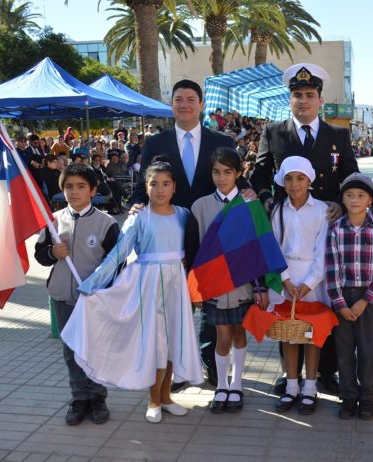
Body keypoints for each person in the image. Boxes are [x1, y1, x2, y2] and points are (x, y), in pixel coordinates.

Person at [61, 160, 203, 423]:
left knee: (173, 341)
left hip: (177, 284)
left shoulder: (183, 214)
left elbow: (193, 248)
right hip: (149, 285)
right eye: (154, 184)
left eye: (166, 184)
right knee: (157, 343)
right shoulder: (139, 217)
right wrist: (93, 284)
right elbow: (118, 254)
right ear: (145, 187)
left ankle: (166, 397)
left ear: (174, 187)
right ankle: (153, 399)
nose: (160, 190)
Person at [251, 62, 360, 395]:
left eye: (309, 95)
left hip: (324, 227)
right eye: (297, 95)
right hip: (288, 224)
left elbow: (351, 175)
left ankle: (325, 372)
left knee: (322, 306)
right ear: (290, 99)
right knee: (288, 309)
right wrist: (268, 199)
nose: (303, 101)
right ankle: (291, 375)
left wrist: (341, 203)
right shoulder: (273, 132)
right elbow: (259, 174)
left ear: (320, 100)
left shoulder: (338, 135)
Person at [131, 79, 238, 390]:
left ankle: (211, 365)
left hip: (212, 234)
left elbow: (232, 181)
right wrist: (137, 206)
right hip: (170, 237)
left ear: (201, 104)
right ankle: (174, 371)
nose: (185, 104)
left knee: (213, 302)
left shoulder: (223, 141)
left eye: (191, 99)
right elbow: (143, 186)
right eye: (178, 99)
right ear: (172, 104)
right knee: (173, 306)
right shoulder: (155, 143)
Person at [34, 164, 119, 426]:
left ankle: (97, 397)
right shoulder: (53, 221)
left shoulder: (107, 224)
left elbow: (116, 264)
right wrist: (52, 254)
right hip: (63, 299)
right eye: (69, 186)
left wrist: (98, 285)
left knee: (93, 350)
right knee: (71, 352)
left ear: (93, 190)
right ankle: (79, 397)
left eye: (81, 186)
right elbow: (40, 254)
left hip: (93, 300)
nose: (74, 192)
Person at [191, 148, 269, 414]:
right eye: (216, 172)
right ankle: (221, 385)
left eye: (227, 172)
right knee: (221, 335)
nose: (221, 178)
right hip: (213, 285)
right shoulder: (200, 206)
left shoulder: (250, 204)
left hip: (242, 284)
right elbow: (195, 251)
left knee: (239, 333)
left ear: (238, 173)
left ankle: (237, 384)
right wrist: (197, 288)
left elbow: (259, 248)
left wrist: (260, 286)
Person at [326, 172, 373, 420]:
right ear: (342, 199)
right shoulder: (334, 230)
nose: (355, 200)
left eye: (361, 195)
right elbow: (331, 270)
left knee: (368, 350)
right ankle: (348, 396)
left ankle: (367, 397)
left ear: (370, 200)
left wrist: (367, 299)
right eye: (349, 195)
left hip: (368, 298)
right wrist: (340, 304)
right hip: (342, 297)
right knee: (344, 350)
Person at [270, 156, 332, 415]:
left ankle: (310, 386)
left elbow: (323, 250)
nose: (294, 184)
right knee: (289, 334)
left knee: (310, 334)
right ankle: (291, 384)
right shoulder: (277, 210)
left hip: (313, 279)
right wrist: (284, 279)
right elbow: (273, 247)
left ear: (309, 181)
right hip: (285, 277)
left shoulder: (320, 210)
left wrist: (307, 284)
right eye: (289, 179)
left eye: (300, 178)